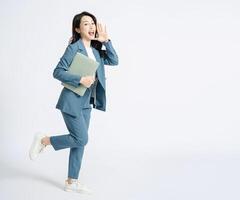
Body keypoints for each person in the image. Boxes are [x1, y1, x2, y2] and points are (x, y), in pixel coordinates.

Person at [29, 11, 119, 194]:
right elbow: (57, 71)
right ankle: (44, 141)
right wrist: (80, 79)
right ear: (78, 29)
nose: (91, 26)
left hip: (87, 103)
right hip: (71, 101)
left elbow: (114, 60)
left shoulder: (96, 51)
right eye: (86, 24)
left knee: (79, 143)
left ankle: (71, 181)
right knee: (81, 138)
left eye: (92, 23)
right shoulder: (73, 48)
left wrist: (106, 42)